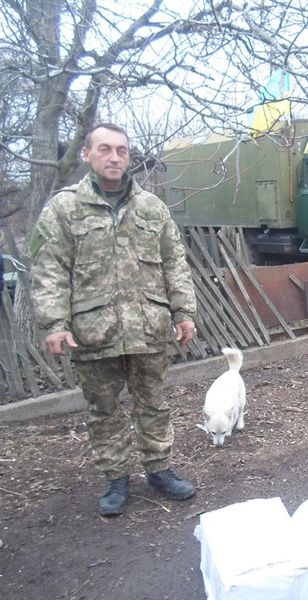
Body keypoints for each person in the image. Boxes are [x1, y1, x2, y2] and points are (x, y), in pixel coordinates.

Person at [30, 123, 198, 517]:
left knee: (153, 404)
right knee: (103, 410)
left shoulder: (151, 207)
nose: (114, 157)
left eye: (121, 150)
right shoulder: (64, 208)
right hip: (93, 332)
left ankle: (160, 471)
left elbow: (175, 262)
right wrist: (54, 323)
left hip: (148, 327)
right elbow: (49, 267)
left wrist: (184, 312)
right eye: (105, 149)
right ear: (87, 154)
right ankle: (116, 479)